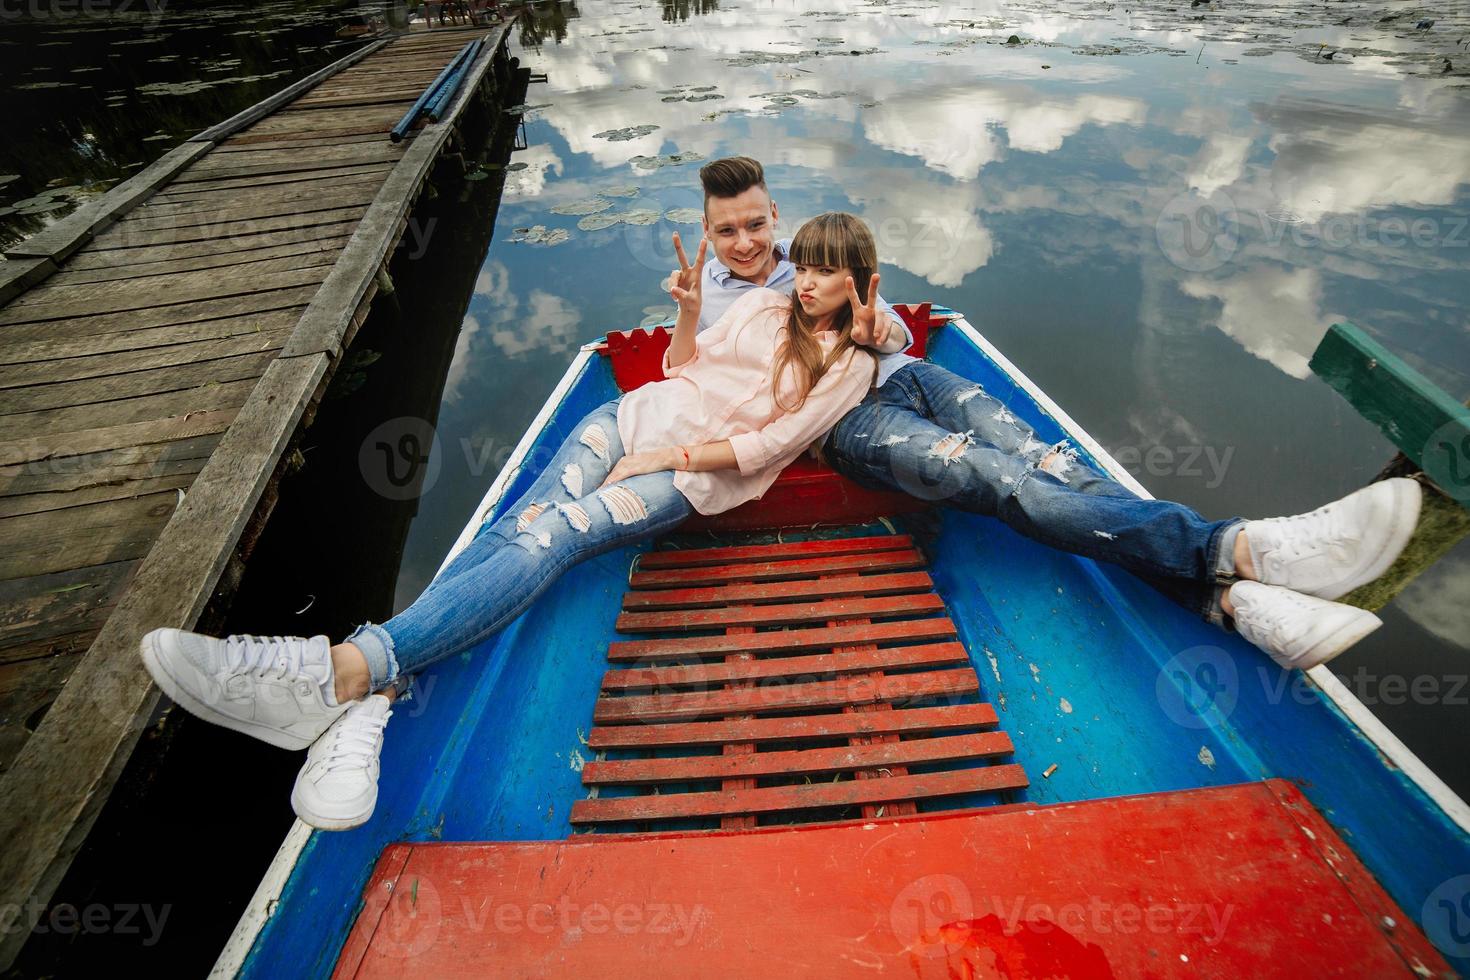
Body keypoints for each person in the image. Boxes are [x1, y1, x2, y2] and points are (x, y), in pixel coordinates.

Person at [139, 213, 886, 831]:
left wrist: (669, 457)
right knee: (526, 518)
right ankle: (376, 694)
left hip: (689, 475)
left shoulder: (853, 363)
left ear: (859, 277)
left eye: (826, 270)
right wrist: (688, 313)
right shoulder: (760, 305)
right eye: (805, 265)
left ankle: (342, 670)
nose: (808, 280)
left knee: (557, 534)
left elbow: (770, 446)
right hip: (627, 419)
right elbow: (676, 372)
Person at [687, 156, 1422, 675]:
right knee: (1009, 484)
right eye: (729, 232)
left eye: (755, 225)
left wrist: (888, 333)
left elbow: (884, 320)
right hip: (847, 423)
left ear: (772, 215)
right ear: (710, 232)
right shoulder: (714, 304)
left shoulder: (808, 250)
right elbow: (703, 386)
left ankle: (1228, 602)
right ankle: (1241, 550)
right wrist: (692, 323)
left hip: (912, 377)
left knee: (1055, 464)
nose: (747, 243)